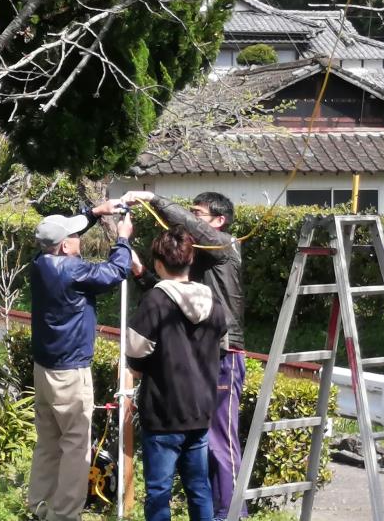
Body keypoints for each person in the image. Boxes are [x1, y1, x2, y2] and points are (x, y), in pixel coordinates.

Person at [121, 190, 246, 520]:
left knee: (222, 444)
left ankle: (231, 515)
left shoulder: (225, 247)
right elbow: (169, 299)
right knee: (203, 462)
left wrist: (153, 198)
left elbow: (145, 336)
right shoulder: (201, 266)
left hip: (225, 356)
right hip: (206, 358)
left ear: (219, 222)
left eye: (197, 214)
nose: (190, 221)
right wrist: (141, 274)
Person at [28, 200, 133, 521]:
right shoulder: (73, 271)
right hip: (70, 373)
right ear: (63, 246)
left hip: (43, 370)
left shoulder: (39, 262)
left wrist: (93, 214)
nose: (80, 239)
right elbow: (116, 271)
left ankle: (39, 506)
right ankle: (64, 515)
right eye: (74, 236)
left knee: (48, 441)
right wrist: (123, 239)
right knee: (75, 444)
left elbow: (67, 234)